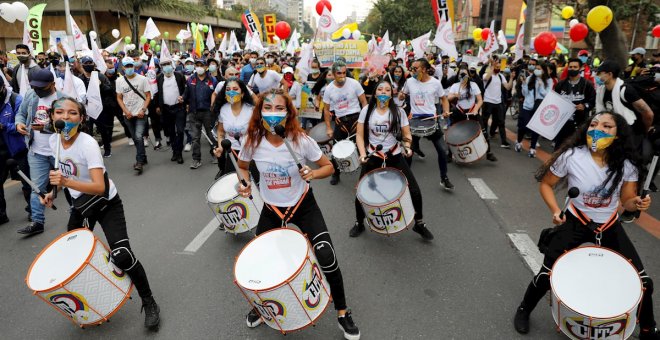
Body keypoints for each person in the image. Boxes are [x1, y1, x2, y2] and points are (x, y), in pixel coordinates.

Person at [513, 111, 658, 340]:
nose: (597, 129)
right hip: (575, 222)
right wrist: (555, 211)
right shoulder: (571, 155)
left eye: (607, 126)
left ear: (618, 135)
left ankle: (649, 328)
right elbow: (546, 185)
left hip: (609, 225)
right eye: (593, 124)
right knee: (546, 275)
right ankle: (524, 309)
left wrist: (638, 202)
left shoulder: (626, 163)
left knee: (643, 282)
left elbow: (627, 201)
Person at [236, 89, 361, 340]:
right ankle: (263, 307)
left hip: (303, 205)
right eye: (267, 108)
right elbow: (242, 166)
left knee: (326, 255)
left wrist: (313, 174)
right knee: (262, 262)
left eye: (279, 108)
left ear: (288, 112)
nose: (273, 114)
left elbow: (327, 166)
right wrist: (244, 183)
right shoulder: (252, 141)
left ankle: (342, 311)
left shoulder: (300, 140)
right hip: (272, 210)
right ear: (260, 112)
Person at [39, 97, 161, 331]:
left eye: (72, 113)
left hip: (105, 203)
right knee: (74, 257)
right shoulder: (54, 140)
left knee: (122, 254)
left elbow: (99, 187)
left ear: (82, 118)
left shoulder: (87, 144)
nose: (65, 117)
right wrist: (52, 192)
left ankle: (149, 301)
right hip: (81, 207)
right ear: (52, 117)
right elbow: (61, 171)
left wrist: (66, 181)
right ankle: (94, 301)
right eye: (60, 112)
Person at [350, 81, 432, 240]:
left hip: (394, 155)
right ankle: (359, 222)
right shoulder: (367, 111)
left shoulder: (399, 112)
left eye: (387, 90)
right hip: (373, 156)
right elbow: (359, 135)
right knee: (361, 192)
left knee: (414, 189)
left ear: (391, 94)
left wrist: (407, 147)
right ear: (374, 93)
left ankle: (419, 223)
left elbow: (407, 135)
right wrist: (361, 154)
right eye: (380, 89)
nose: (383, 92)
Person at [14, 68, 63, 235]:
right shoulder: (30, 95)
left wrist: (46, 127)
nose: (38, 91)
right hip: (36, 151)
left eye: (42, 88)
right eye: (35, 87)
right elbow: (20, 114)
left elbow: (71, 127)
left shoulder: (63, 99)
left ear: (52, 84)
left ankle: (77, 216)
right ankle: (37, 221)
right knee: (36, 186)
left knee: (68, 185)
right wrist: (19, 124)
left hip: (59, 152)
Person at [399, 58, 455, 189]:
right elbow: (403, 94)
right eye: (411, 68)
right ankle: (405, 178)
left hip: (431, 119)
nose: (412, 71)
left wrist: (446, 110)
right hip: (414, 120)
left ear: (423, 69)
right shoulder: (409, 81)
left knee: (442, 150)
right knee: (408, 151)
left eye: (415, 68)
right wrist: (401, 95)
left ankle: (444, 177)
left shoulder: (435, 83)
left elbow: (444, 98)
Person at [322, 60, 367, 185]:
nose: (342, 76)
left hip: (356, 119)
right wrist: (328, 128)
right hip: (340, 121)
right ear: (333, 73)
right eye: (338, 73)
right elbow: (326, 109)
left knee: (363, 148)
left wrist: (364, 119)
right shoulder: (329, 89)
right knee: (336, 149)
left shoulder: (354, 83)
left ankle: (365, 175)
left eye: (344, 73)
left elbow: (364, 102)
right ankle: (336, 173)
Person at [211, 79, 257, 180]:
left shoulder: (252, 110)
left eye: (235, 89)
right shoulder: (223, 109)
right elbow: (221, 131)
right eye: (228, 89)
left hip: (249, 153)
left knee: (252, 183)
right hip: (231, 152)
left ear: (242, 94)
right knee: (232, 183)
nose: (231, 92)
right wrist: (220, 147)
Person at [0, 74, 31, 224]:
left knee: (26, 181)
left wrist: (5, 126)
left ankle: (33, 210)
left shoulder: (16, 100)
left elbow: (23, 124)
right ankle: (1, 214)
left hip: (17, 148)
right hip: (0, 150)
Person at [116, 57, 151, 174]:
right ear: (123, 68)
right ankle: (143, 156)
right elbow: (119, 98)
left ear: (134, 66)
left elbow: (148, 96)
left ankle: (139, 162)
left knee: (138, 136)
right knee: (136, 139)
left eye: (131, 65)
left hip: (141, 114)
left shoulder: (142, 79)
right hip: (128, 115)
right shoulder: (119, 81)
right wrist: (125, 111)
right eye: (127, 66)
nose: (129, 68)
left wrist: (143, 109)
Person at [553, 57, 596, 150]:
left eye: (575, 67)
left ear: (580, 68)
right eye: (570, 67)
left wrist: (584, 106)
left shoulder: (587, 84)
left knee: (575, 148)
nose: (572, 69)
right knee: (559, 148)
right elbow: (554, 100)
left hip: (579, 123)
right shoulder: (560, 84)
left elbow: (592, 101)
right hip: (562, 122)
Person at [184, 59, 218, 169]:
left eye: (201, 65)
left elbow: (216, 95)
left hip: (208, 112)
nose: (199, 67)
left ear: (206, 67)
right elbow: (186, 95)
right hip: (194, 112)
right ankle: (196, 159)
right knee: (195, 137)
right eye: (197, 65)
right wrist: (182, 99)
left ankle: (215, 154)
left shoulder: (212, 80)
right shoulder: (190, 80)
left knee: (211, 135)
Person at [515, 63, 554, 158]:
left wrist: (541, 86)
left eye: (539, 68)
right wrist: (524, 84)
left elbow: (547, 95)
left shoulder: (549, 80)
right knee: (523, 126)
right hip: (527, 106)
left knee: (535, 128)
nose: (537, 70)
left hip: (539, 107)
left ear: (544, 70)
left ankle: (532, 149)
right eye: (536, 68)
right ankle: (519, 142)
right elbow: (525, 93)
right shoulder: (529, 78)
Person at [480, 55, 514, 150]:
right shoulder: (487, 75)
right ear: (492, 66)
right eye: (496, 66)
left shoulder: (501, 76)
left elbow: (507, 87)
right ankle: (484, 139)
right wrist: (491, 66)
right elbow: (486, 78)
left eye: (499, 67)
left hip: (498, 103)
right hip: (487, 102)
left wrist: (511, 78)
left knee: (501, 122)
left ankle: (504, 142)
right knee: (485, 121)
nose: (498, 68)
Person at [157, 58, 187, 164]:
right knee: (171, 132)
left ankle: (179, 153)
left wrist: (183, 98)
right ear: (161, 67)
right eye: (164, 65)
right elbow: (157, 93)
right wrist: (158, 106)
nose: (166, 66)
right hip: (166, 109)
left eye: (168, 64)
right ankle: (175, 151)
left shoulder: (179, 76)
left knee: (180, 130)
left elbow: (185, 90)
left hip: (179, 108)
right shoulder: (159, 78)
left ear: (172, 64)